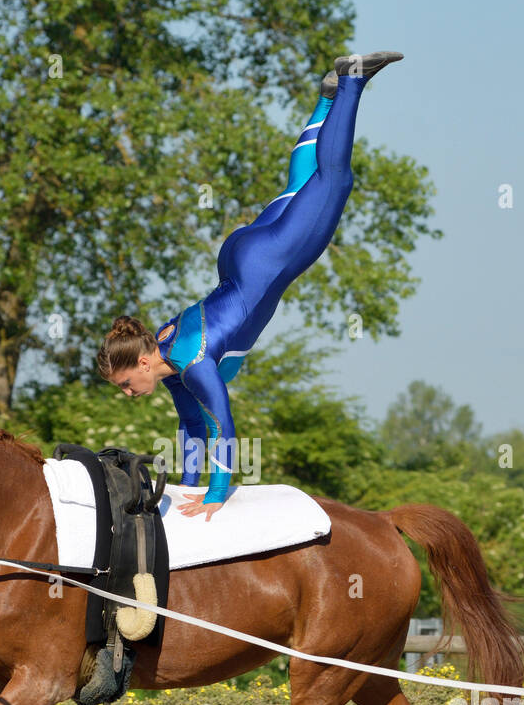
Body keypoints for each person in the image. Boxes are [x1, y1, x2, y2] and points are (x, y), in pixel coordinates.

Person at [97, 51, 403, 521]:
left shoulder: (193, 365)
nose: (128, 393)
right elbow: (193, 426)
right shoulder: (167, 354)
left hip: (264, 264)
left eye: (125, 383)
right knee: (300, 188)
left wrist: (217, 494)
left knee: (334, 182)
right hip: (238, 256)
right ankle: (325, 102)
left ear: (141, 362)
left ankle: (352, 81)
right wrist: (185, 488)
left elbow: (223, 424)